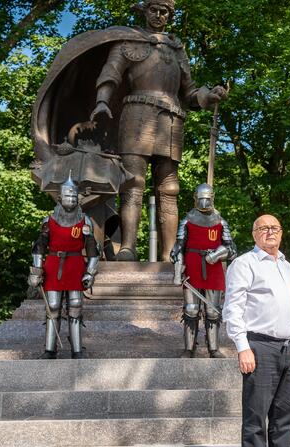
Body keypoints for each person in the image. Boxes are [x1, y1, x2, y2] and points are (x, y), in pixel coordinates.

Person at [90, 0, 228, 261]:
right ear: (144, 11)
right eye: (153, 9)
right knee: (133, 183)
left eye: (164, 11)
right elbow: (111, 73)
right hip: (136, 116)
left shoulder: (176, 49)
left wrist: (209, 96)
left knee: (169, 188)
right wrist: (101, 102)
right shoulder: (127, 42)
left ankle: (168, 253)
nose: (158, 15)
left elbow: (190, 92)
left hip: (171, 119)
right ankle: (127, 247)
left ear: (170, 15)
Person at [223, 214, 290, 447]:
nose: (270, 232)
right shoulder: (244, 264)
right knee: (256, 417)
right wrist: (242, 346)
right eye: (264, 228)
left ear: (281, 233)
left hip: (289, 347)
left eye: (275, 228)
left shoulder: (286, 265)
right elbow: (233, 308)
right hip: (259, 347)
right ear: (254, 234)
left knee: (284, 418)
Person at [28, 175, 100, 359]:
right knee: (52, 306)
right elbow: (39, 248)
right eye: (67, 196)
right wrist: (36, 271)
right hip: (53, 264)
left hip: (75, 265)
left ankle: (77, 349)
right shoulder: (49, 221)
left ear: (78, 198)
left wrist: (90, 273)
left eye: (73, 196)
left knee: (75, 306)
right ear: (60, 198)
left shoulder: (85, 221)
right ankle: (50, 349)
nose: (70, 200)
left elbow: (93, 251)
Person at [170, 183, 236, 358]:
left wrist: (216, 255)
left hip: (213, 270)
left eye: (207, 199)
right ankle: (189, 348)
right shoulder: (187, 220)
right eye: (201, 199)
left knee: (213, 311)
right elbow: (177, 249)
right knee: (191, 309)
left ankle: (213, 348)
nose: (205, 203)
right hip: (192, 268)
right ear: (195, 199)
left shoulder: (221, 222)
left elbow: (232, 250)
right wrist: (177, 273)